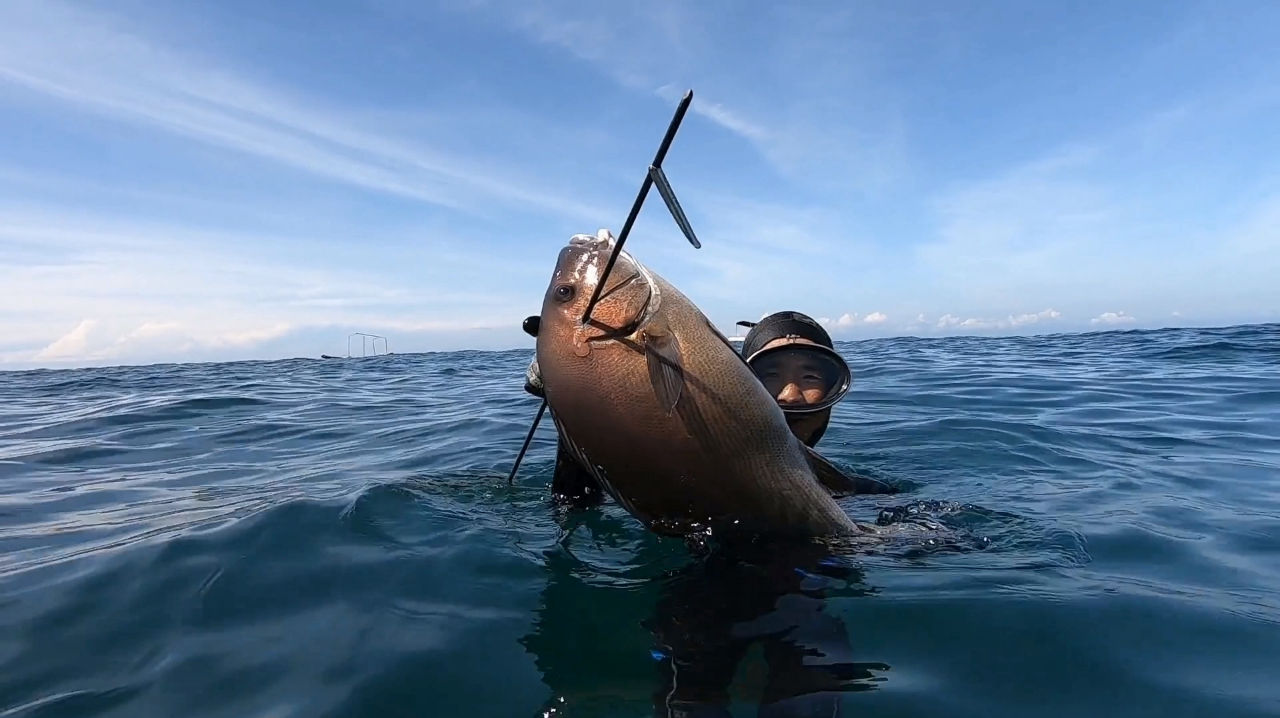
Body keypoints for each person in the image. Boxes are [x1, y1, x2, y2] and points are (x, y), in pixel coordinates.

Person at [520, 310, 859, 506]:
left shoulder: (859, 493)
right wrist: (572, 393)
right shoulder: (689, 476)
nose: (789, 395)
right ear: (744, 387)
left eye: (811, 375)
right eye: (768, 374)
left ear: (834, 387)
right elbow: (575, 505)